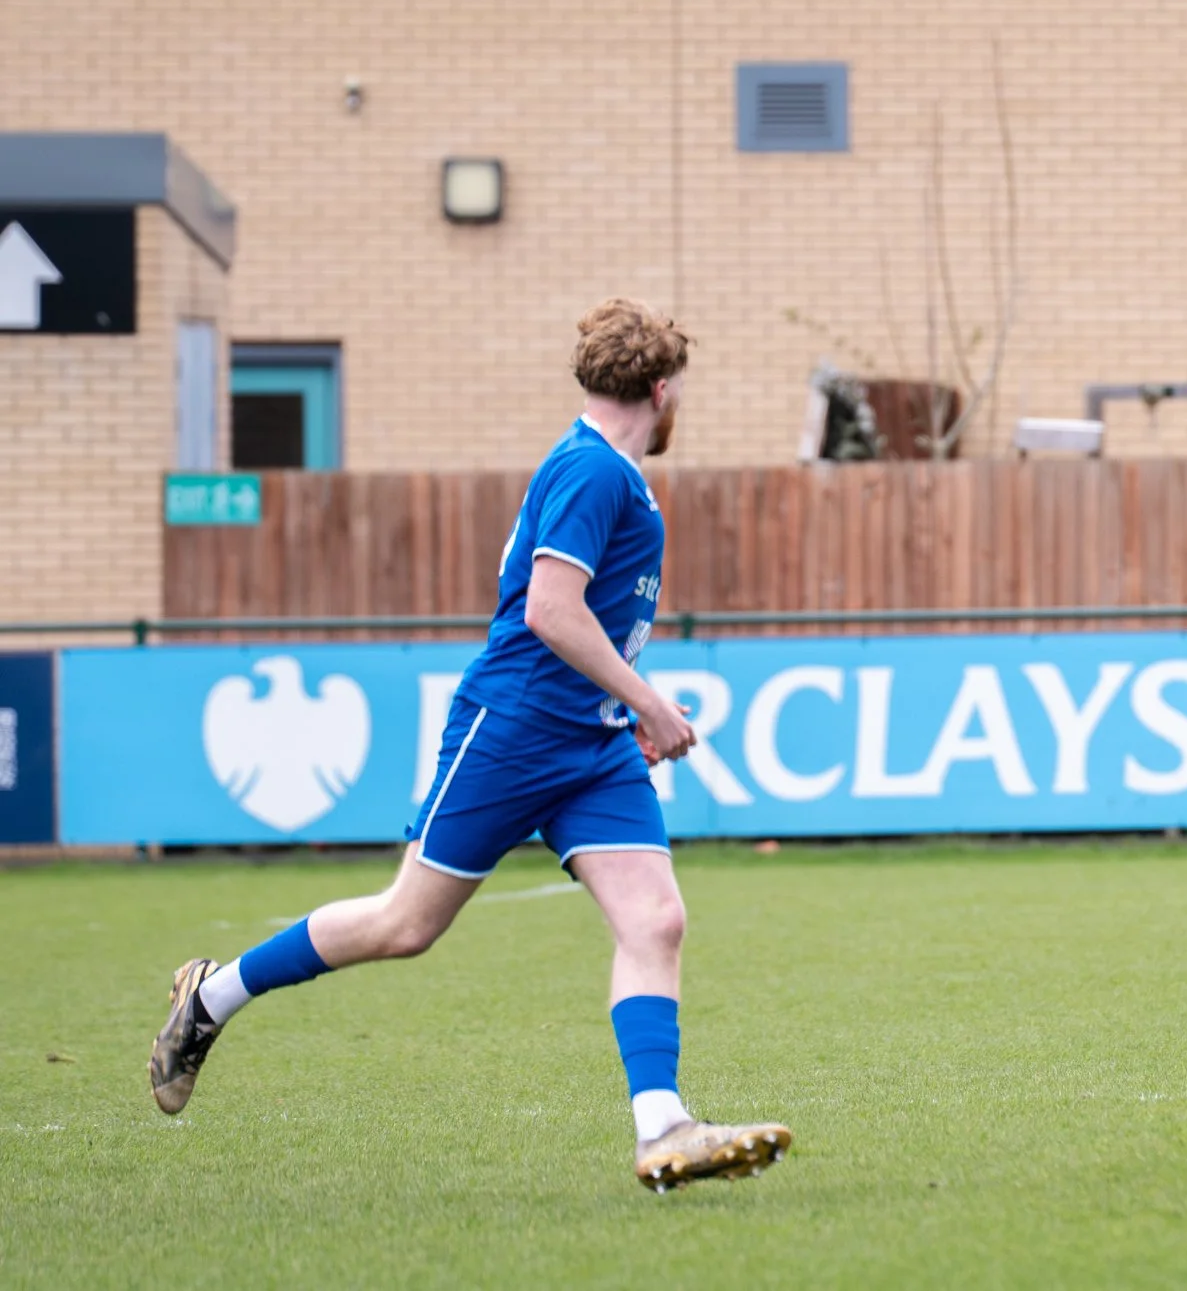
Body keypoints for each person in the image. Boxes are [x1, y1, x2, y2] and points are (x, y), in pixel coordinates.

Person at [149, 298, 792, 1191]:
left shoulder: (612, 473)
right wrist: (649, 703)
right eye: (679, 388)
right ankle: (212, 995)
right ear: (660, 386)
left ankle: (662, 1128)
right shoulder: (592, 471)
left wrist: (619, 714)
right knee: (404, 923)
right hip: (516, 729)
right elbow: (550, 611)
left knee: (656, 920)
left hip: (590, 746)